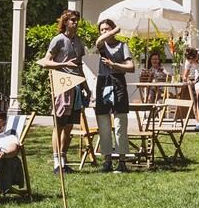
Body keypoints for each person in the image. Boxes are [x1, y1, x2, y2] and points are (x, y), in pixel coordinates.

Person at [37, 9, 86, 172]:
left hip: (76, 85)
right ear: (65, 22)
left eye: (77, 20)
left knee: (70, 125)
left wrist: (86, 87)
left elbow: (79, 66)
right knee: (59, 124)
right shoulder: (58, 40)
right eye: (72, 20)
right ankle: (56, 161)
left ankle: (64, 159)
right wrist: (64, 65)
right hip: (62, 85)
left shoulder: (78, 42)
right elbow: (44, 62)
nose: (75, 22)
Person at [93, 18, 134, 173]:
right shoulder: (101, 45)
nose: (104, 32)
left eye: (106, 28)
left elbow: (131, 67)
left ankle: (122, 161)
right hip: (103, 83)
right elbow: (98, 41)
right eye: (102, 29)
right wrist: (115, 29)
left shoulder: (122, 46)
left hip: (118, 82)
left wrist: (114, 65)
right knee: (103, 125)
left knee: (120, 124)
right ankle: (107, 160)